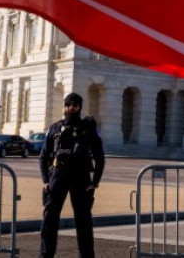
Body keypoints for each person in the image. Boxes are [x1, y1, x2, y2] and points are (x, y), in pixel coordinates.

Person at [39, 92, 105, 258]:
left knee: (83, 221)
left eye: (75, 105)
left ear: (80, 107)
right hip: (58, 176)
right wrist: (45, 180)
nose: (71, 108)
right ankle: (45, 255)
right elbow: (44, 155)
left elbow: (99, 156)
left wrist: (95, 182)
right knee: (49, 220)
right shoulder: (55, 128)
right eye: (68, 105)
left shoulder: (88, 128)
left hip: (81, 177)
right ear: (64, 107)